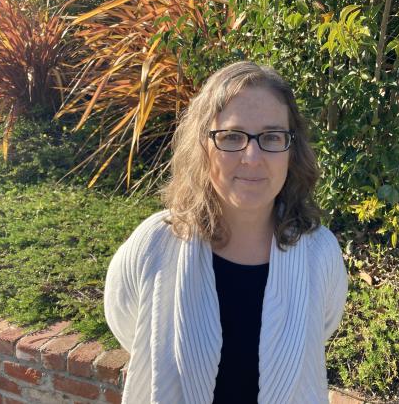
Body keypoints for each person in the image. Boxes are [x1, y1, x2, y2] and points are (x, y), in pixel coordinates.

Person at [104, 61, 349, 404]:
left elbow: (322, 326)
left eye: (271, 137)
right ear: (203, 146)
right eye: (232, 136)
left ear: (291, 151)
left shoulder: (319, 252)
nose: (252, 156)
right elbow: (128, 322)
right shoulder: (154, 245)